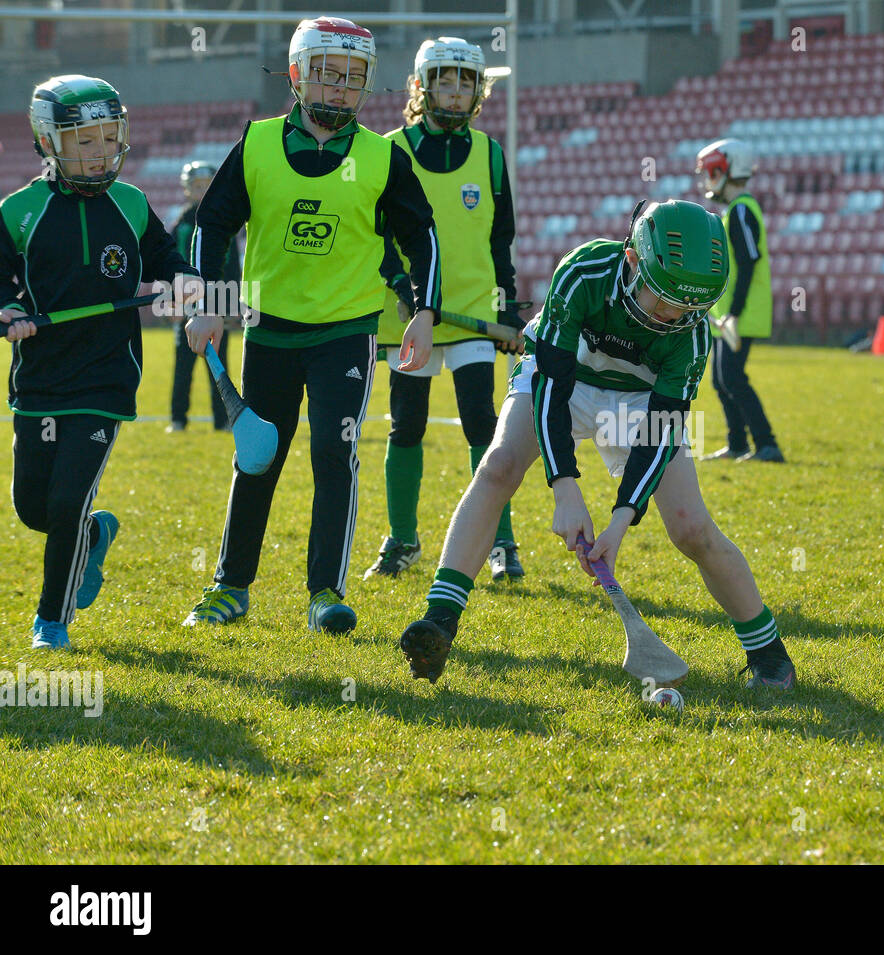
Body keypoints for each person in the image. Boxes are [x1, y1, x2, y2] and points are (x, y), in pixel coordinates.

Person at [398, 200, 796, 691]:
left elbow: (659, 433)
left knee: (692, 528)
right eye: (666, 299)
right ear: (632, 262)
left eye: (691, 307)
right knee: (499, 465)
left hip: (639, 400)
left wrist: (620, 520)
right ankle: (440, 620)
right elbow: (551, 386)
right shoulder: (584, 272)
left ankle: (769, 653)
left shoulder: (691, 337)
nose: (676, 316)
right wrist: (565, 488)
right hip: (564, 379)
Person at [181, 16, 440, 634]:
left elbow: (422, 237)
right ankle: (230, 587)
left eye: (354, 79)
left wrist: (423, 312)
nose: (340, 89)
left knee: (334, 451)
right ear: (297, 75)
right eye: (327, 73)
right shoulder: (259, 143)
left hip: (345, 333)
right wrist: (208, 298)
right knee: (258, 458)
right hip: (268, 331)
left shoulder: (383, 158)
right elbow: (211, 223)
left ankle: (325, 590)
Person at [1, 74, 202, 649]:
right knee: (34, 508)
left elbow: (166, 254)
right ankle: (94, 534)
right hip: (39, 379)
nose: (100, 154)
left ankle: (51, 621)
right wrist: (10, 309)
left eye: (110, 139)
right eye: (85, 141)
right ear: (48, 143)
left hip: (106, 379)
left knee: (66, 500)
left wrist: (184, 278)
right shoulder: (19, 212)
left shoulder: (132, 204)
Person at [365, 36, 527, 584]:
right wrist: (418, 307)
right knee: (406, 426)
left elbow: (498, 242)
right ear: (421, 86)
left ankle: (500, 542)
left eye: (466, 82)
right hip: (409, 318)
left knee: (483, 424)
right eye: (445, 80)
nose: (456, 93)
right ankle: (403, 541)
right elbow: (378, 240)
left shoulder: (491, 154)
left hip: (475, 315)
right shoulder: (390, 150)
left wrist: (507, 310)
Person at [693, 138, 784, 463]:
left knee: (732, 378)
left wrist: (733, 312)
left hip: (740, 315)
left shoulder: (743, 211)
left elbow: (748, 263)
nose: (707, 179)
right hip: (729, 316)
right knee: (721, 379)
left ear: (725, 170)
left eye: (710, 172)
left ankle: (767, 444)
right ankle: (737, 444)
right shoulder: (734, 211)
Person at [167, 161, 239, 433]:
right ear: (187, 190)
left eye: (207, 186)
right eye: (196, 187)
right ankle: (178, 418)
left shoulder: (224, 221)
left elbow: (232, 268)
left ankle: (222, 420)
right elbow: (169, 263)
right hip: (187, 305)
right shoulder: (182, 224)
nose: (202, 191)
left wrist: (231, 305)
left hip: (217, 303)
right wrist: (171, 300)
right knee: (183, 367)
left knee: (219, 366)